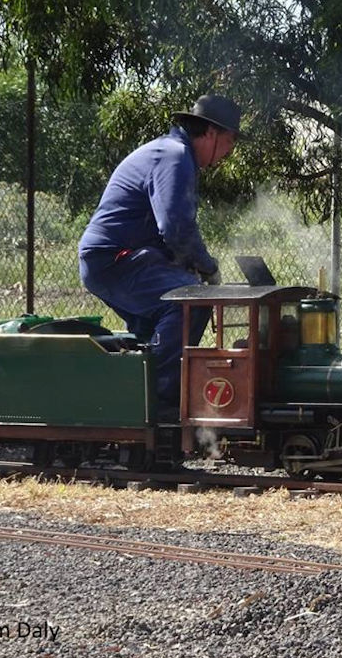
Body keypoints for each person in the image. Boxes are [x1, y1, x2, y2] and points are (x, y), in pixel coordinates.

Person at [78, 94, 242, 419]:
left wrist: (192, 269)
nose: (228, 153)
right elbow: (176, 227)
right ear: (210, 133)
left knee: (155, 323)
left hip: (116, 258)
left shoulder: (171, 153)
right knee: (189, 304)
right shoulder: (174, 156)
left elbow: (169, 233)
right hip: (115, 259)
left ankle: (132, 399)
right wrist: (207, 270)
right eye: (228, 143)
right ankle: (161, 403)